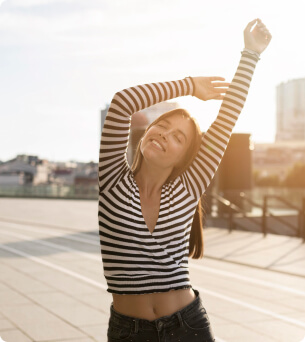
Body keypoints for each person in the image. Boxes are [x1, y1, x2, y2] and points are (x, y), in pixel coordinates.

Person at [98, 18, 272, 342]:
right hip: (128, 332)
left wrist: (251, 53)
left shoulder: (188, 188)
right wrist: (190, 85)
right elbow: (122, 103)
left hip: (188, 326)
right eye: (161, 126)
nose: (164, 134)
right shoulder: (112, 181)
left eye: (177, 137)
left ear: (183, 157)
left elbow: (228, 117)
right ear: (146, 132)